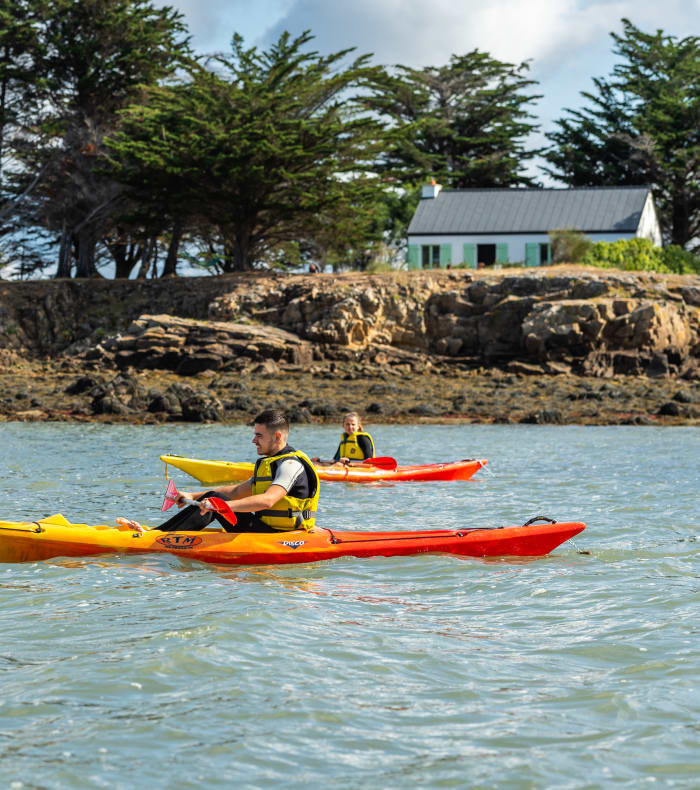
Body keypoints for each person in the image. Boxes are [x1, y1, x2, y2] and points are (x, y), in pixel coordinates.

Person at [118, 409, 320, 533]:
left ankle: (156, 537)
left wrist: (222, 507)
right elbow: (235, 491)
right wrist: (191, 495)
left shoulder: (291, 464)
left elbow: (267, 500)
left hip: (281, 534)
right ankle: (160, 533)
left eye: (259, 435)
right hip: (265, 527)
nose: (253, 440)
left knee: (216, 500)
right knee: (215, 497)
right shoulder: (270, 462)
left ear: (277, 436)